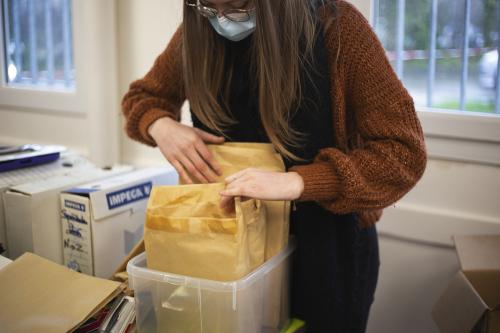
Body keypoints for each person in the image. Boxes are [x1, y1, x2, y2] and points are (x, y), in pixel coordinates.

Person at [122, 0, 427, 331]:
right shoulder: (199, 28)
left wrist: (298, 183)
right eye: (207, 7)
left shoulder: (339, 30)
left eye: (235, 6)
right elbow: (141, 98)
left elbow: (403, 154)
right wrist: (161, 126)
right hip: (229, 250)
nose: (221, 18)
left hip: (328, 259)